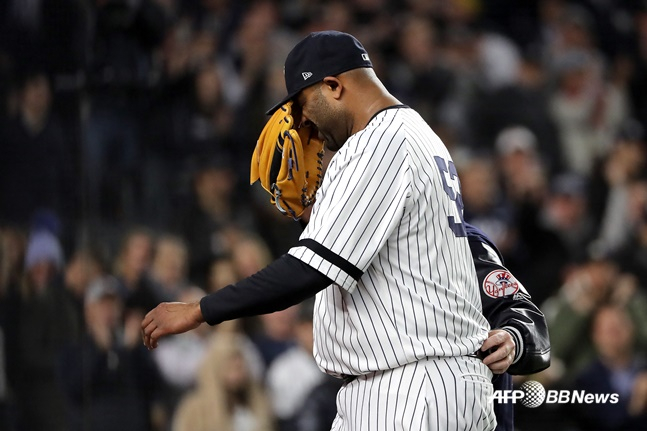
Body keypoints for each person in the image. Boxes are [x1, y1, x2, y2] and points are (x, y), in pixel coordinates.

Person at [143, 30, 497, 430]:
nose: (302, 121)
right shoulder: (411, 133)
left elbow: (308, 271)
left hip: (412, 386)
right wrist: (311, 213)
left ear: (333, 86)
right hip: (407, 382)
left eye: (302, 104)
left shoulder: (381, 143)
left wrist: (199, 310)